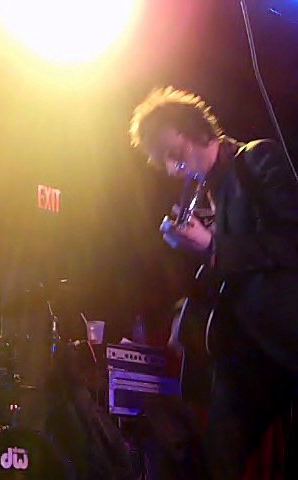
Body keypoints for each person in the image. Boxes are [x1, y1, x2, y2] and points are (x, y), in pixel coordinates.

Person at [129, 86, 298, 479]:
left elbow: (291, 241)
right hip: (246, 357)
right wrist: (185, 309)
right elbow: (224, 269)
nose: (173, 170)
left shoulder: (257, 159)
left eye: (172, 155)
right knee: (217, 460)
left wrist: (211, 244)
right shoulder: (209, 194)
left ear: (187, 130)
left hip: (287, 342)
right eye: (165, 161)